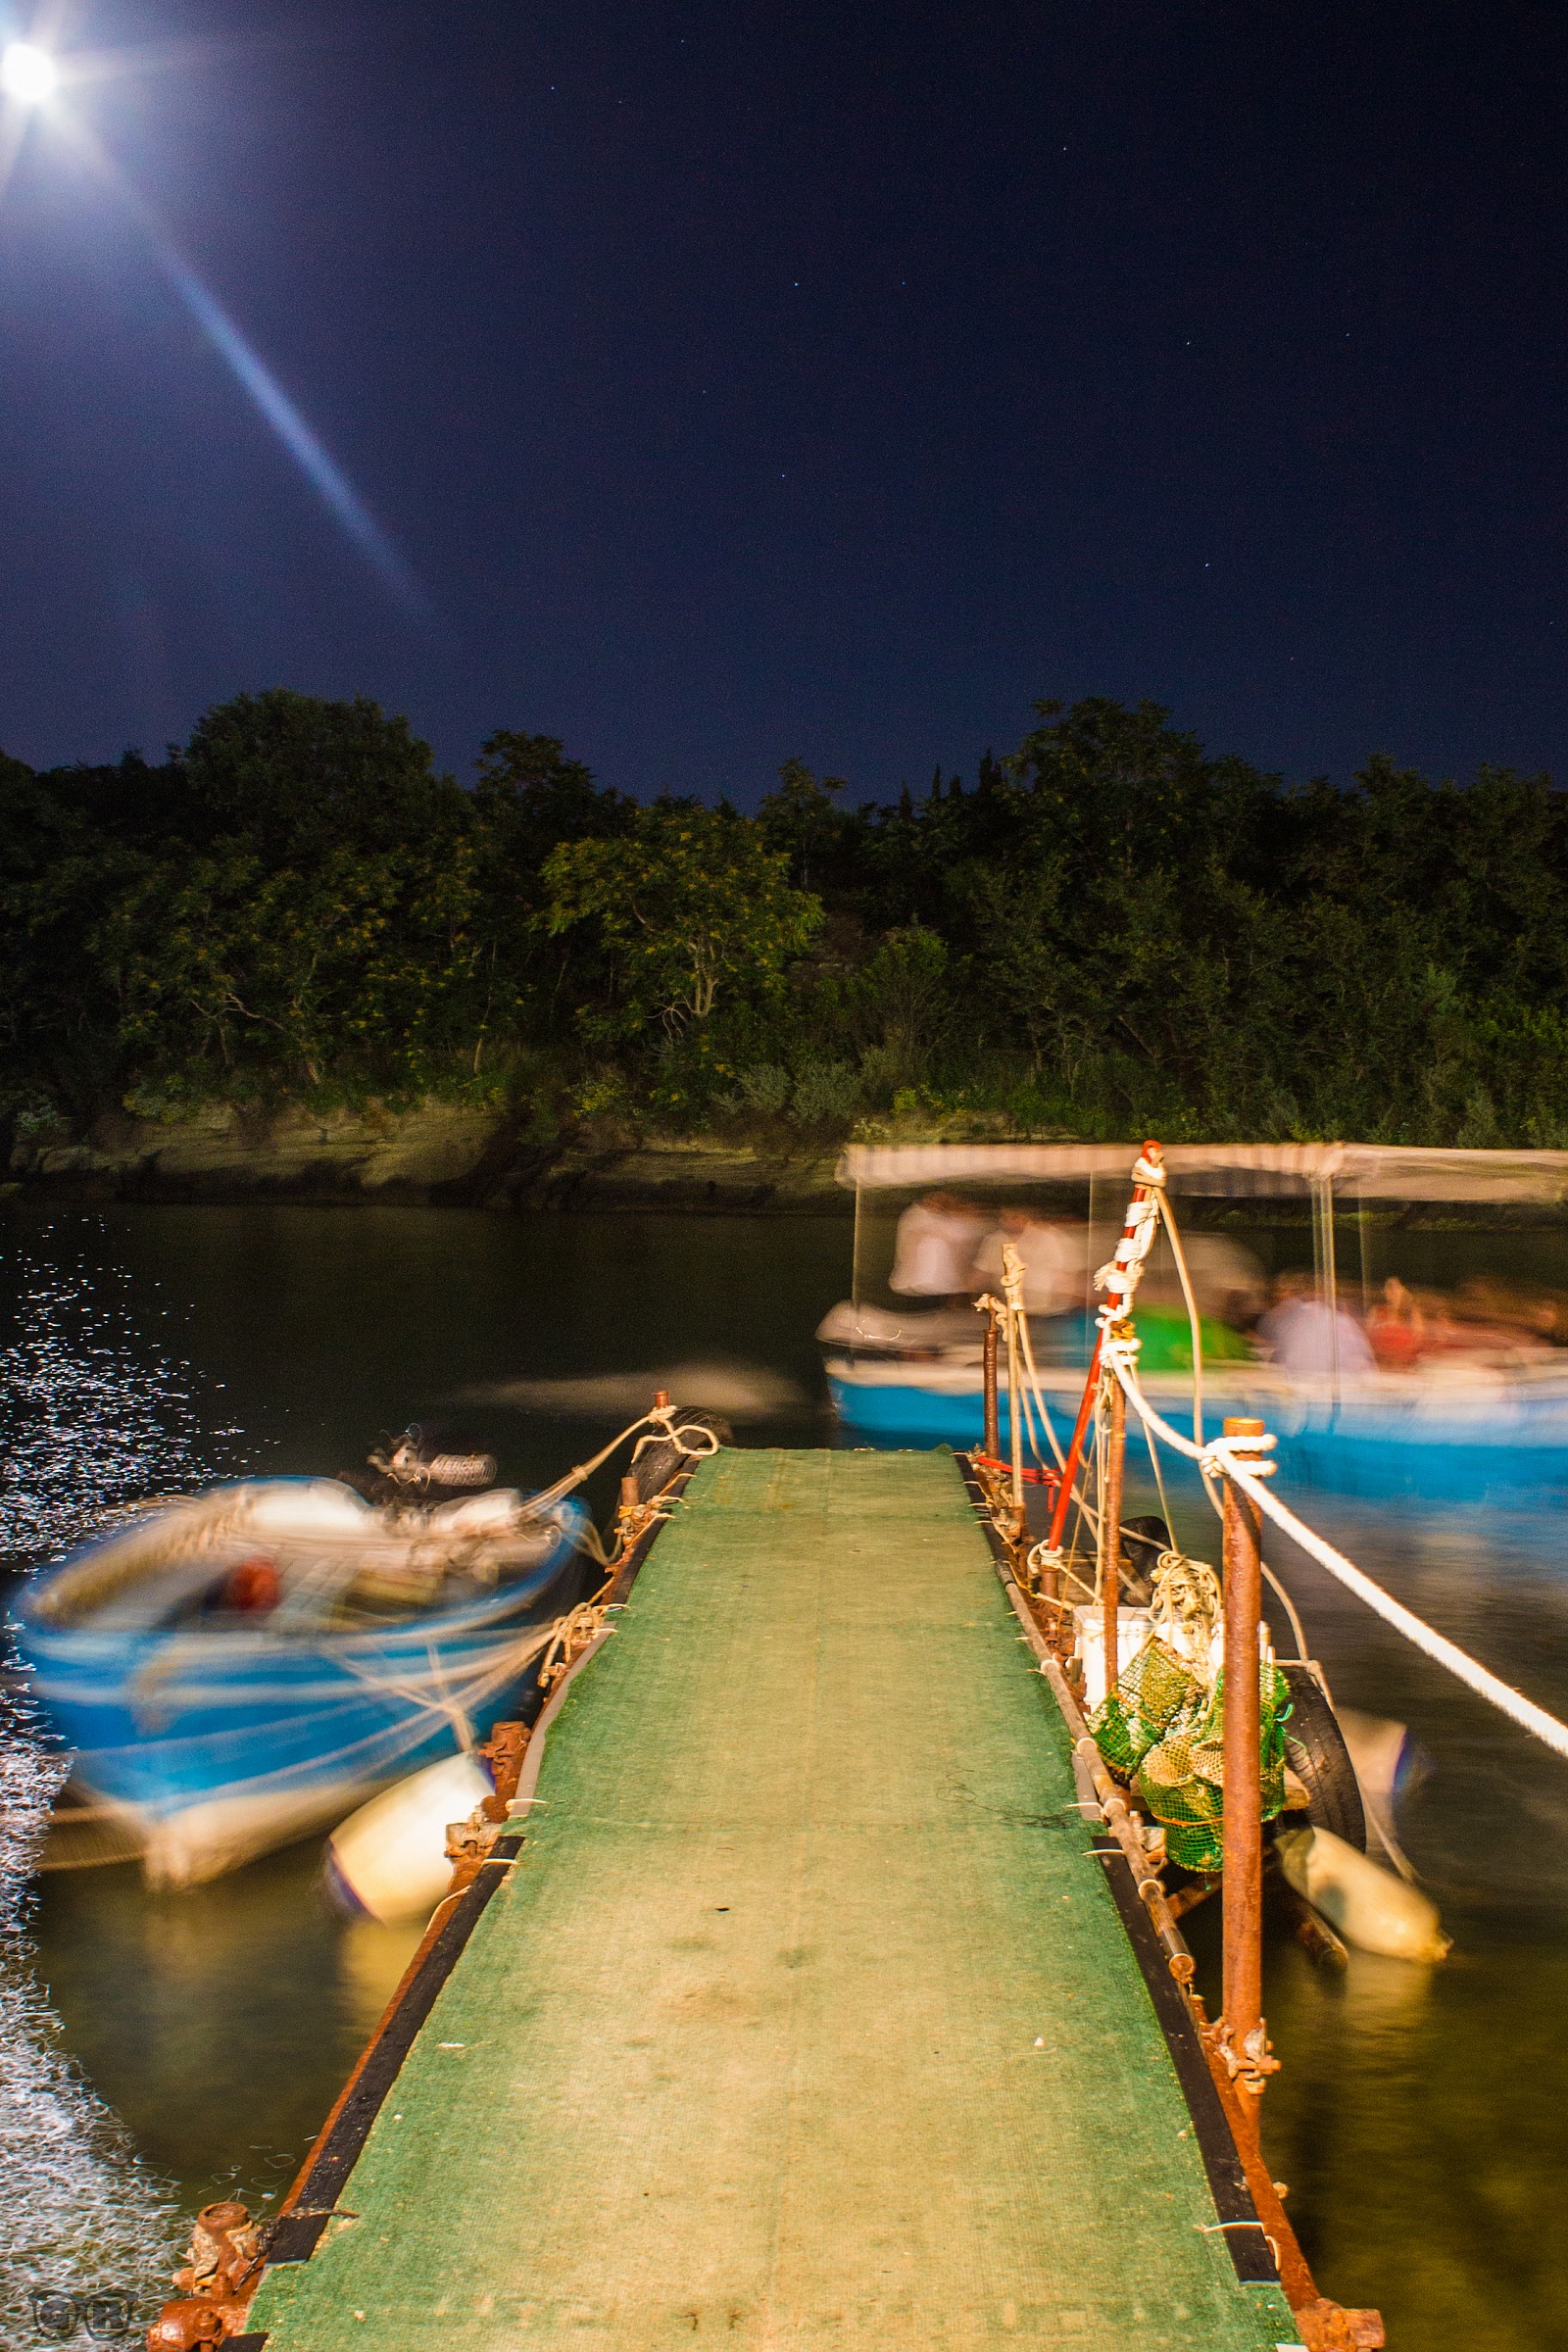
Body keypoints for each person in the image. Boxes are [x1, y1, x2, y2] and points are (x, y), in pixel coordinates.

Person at [1255, 1269, 1374, 1379]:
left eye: (1287, 1293)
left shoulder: (1302, 1320)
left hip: (1323, 1388)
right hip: (1323, 1387)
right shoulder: (1295, 1321)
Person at [972, 1205, 1082, 1318]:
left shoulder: (1045, 1238)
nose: (1009, 1221)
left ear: (1026, 1218)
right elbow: (982, 1270)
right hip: (1007, 1308)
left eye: (1015, 1217)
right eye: (1005, 1217)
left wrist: (1065, 1297)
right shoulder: (995, 1240)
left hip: (1041, 1310)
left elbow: (1061, 1271)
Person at [889, 1191, 990, 1302]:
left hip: (938, 1289)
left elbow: (961, 1252)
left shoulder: (945, 1221)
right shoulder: (919, 1216)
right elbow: (913, 1242)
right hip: (919, 1287)